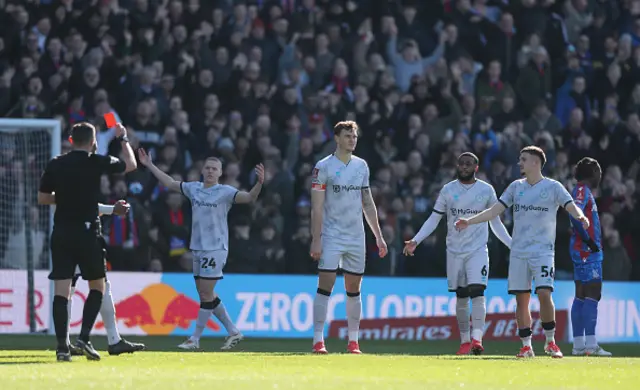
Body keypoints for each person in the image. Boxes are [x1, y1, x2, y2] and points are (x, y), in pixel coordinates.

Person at [454, 146, 590, 359]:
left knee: (544, 293)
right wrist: (468, 221)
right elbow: (494, 211)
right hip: (518, 252)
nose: (520, 163)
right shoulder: (516, 187)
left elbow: (570, 205)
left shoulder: (553, 187)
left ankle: (550, 341)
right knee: (522, 299)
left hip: (543, 251)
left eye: (523, 160)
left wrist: (580, 217)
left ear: (535, 163)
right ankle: (526, 345)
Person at [138, 149, 264, 351]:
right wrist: (150, 165)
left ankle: (194, 339)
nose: (211, 171)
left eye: (215, 169)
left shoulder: (225, 192)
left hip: (215, 248)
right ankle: (233, 331)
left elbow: (249, 198)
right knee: (206, 294)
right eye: (208, 168)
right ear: (202, 170)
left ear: (220, 173)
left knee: (206, 294)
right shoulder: (193, 188)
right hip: (197, 247)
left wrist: (259, 183)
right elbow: (170, 183)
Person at [38, 122, 137, 361]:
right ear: (93, 142)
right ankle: (83, 337)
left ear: (70, 141)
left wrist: (65, 198)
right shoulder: (97, 161)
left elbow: (42, 198)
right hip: (88, 233)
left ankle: (62, 348)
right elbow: (131, 165)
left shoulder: (56, 163)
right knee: (97, 286)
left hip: (61, 233)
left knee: (61, 292)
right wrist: (122, 138)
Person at [403, 152, 512, 355]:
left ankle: (477, 339)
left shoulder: (486, 190)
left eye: (468, 164)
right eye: (461, 163)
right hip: (454, 250)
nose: (464, 167)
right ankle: (464, 341)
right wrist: (416, 240)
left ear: (476, 167)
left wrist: (512, 245)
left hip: (478, 249)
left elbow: (495, 222)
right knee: (461, 296)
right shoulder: (448, 190)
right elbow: (434, 219)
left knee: (478, 291)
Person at [310, 120, 388, 355]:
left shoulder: (361, 166)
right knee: (326, 285)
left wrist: (378, 236)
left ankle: (353, 342)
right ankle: (318, 340)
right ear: (336, 138)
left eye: (354, 136)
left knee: (354, 287)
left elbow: (367, 202)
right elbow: (317, 207)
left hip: (356, 236)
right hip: (332, 234)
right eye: (347, 136)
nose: (352, 140)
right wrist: (316, 238)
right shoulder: (323, 167)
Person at [66, 200, 146, 357]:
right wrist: (113, 209)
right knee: (91, 287)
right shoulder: (76, 179)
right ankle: (105, 340)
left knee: (71, 288)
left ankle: (67, 343)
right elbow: (81, 202)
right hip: (82, 238)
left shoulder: (64, 178)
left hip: (70, 237)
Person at [569, 157, 611, 356]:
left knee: (582, 294)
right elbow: (574, 215)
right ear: (593, 172)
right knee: (593, 292)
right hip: (586, 250)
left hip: (582, 249)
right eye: (599, 171)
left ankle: (578, 345)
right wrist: (588, 240)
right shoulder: (581, 191)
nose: (600, 176)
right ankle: (591, 346)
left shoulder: (583, 191)